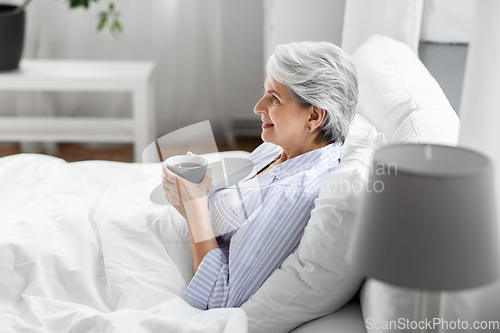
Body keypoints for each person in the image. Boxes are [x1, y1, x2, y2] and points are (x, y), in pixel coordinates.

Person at [162, 41, 358, 309]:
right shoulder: (274, 150)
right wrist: (191, 196)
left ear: (314, 117)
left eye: (275, 98)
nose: (257, 106)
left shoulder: (293, 195)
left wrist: (194, 206)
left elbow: (221, 297)